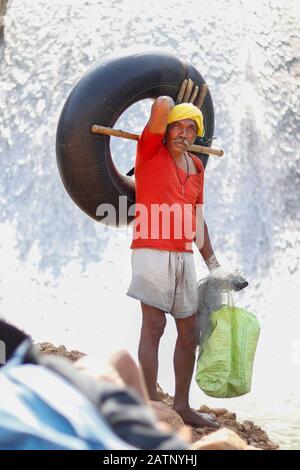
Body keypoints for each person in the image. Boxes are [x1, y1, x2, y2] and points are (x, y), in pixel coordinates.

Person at [126, 79, 223, 428]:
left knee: (189, 330)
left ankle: (181, 406)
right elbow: (161, 105)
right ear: (165, 132)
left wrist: (213, 264)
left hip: (183, 254)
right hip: (150, 250)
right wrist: (173, 104)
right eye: (177, 126)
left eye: (190, 128)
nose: (183, 132)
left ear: (197, 135)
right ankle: (151, 405)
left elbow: (198, 221)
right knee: (153, 326)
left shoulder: (197, 167)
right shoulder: (150, 151)